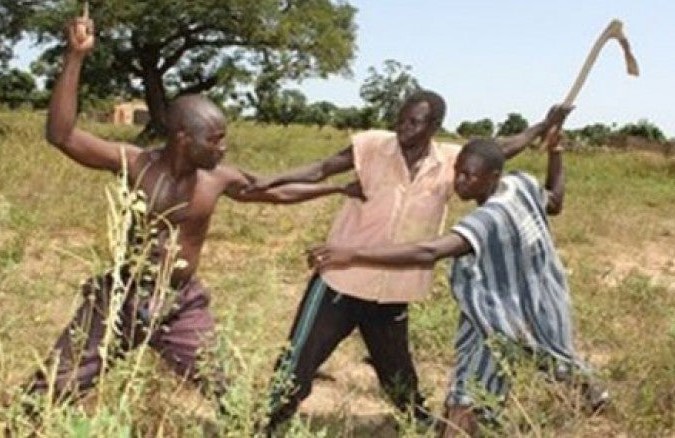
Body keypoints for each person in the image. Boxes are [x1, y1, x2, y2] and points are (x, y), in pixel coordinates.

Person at [22, 16, 359, 412]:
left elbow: (275, 192)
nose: (223, 148)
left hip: (180, 304)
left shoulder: (217, 179)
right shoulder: (134, 163)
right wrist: (76, 57)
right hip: (120, 297)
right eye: (215, 139)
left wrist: (337, 187)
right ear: (183, 138)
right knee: (52, 389)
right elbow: (61, 135)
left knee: (229, 394)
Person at [254, 88, 572, 431]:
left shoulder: (451, 162)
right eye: (401, 119)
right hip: (341, 283)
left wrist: (544, 125)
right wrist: (270, 179)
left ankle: (417, 422)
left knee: (398, 374)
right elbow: (321, 169)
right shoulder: (373, 145)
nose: (403, 128)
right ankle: (261, 423)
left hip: (394, 290)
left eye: (414, 122)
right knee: (297, 364)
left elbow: (502, 148)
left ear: (434, 125)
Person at [309, 128, 609, 436]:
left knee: (529, 365)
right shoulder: (521, 184)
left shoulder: (488, 218)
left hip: (504, 310)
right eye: (458, 171)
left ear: (493, 176)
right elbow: (555, 201)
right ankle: (583, 394)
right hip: (543, 297)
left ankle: (468, 424)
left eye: (470, 176)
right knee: (528, 363)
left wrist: (353, 254)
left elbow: (429, 251)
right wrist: (555, 153)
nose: (460, 181)